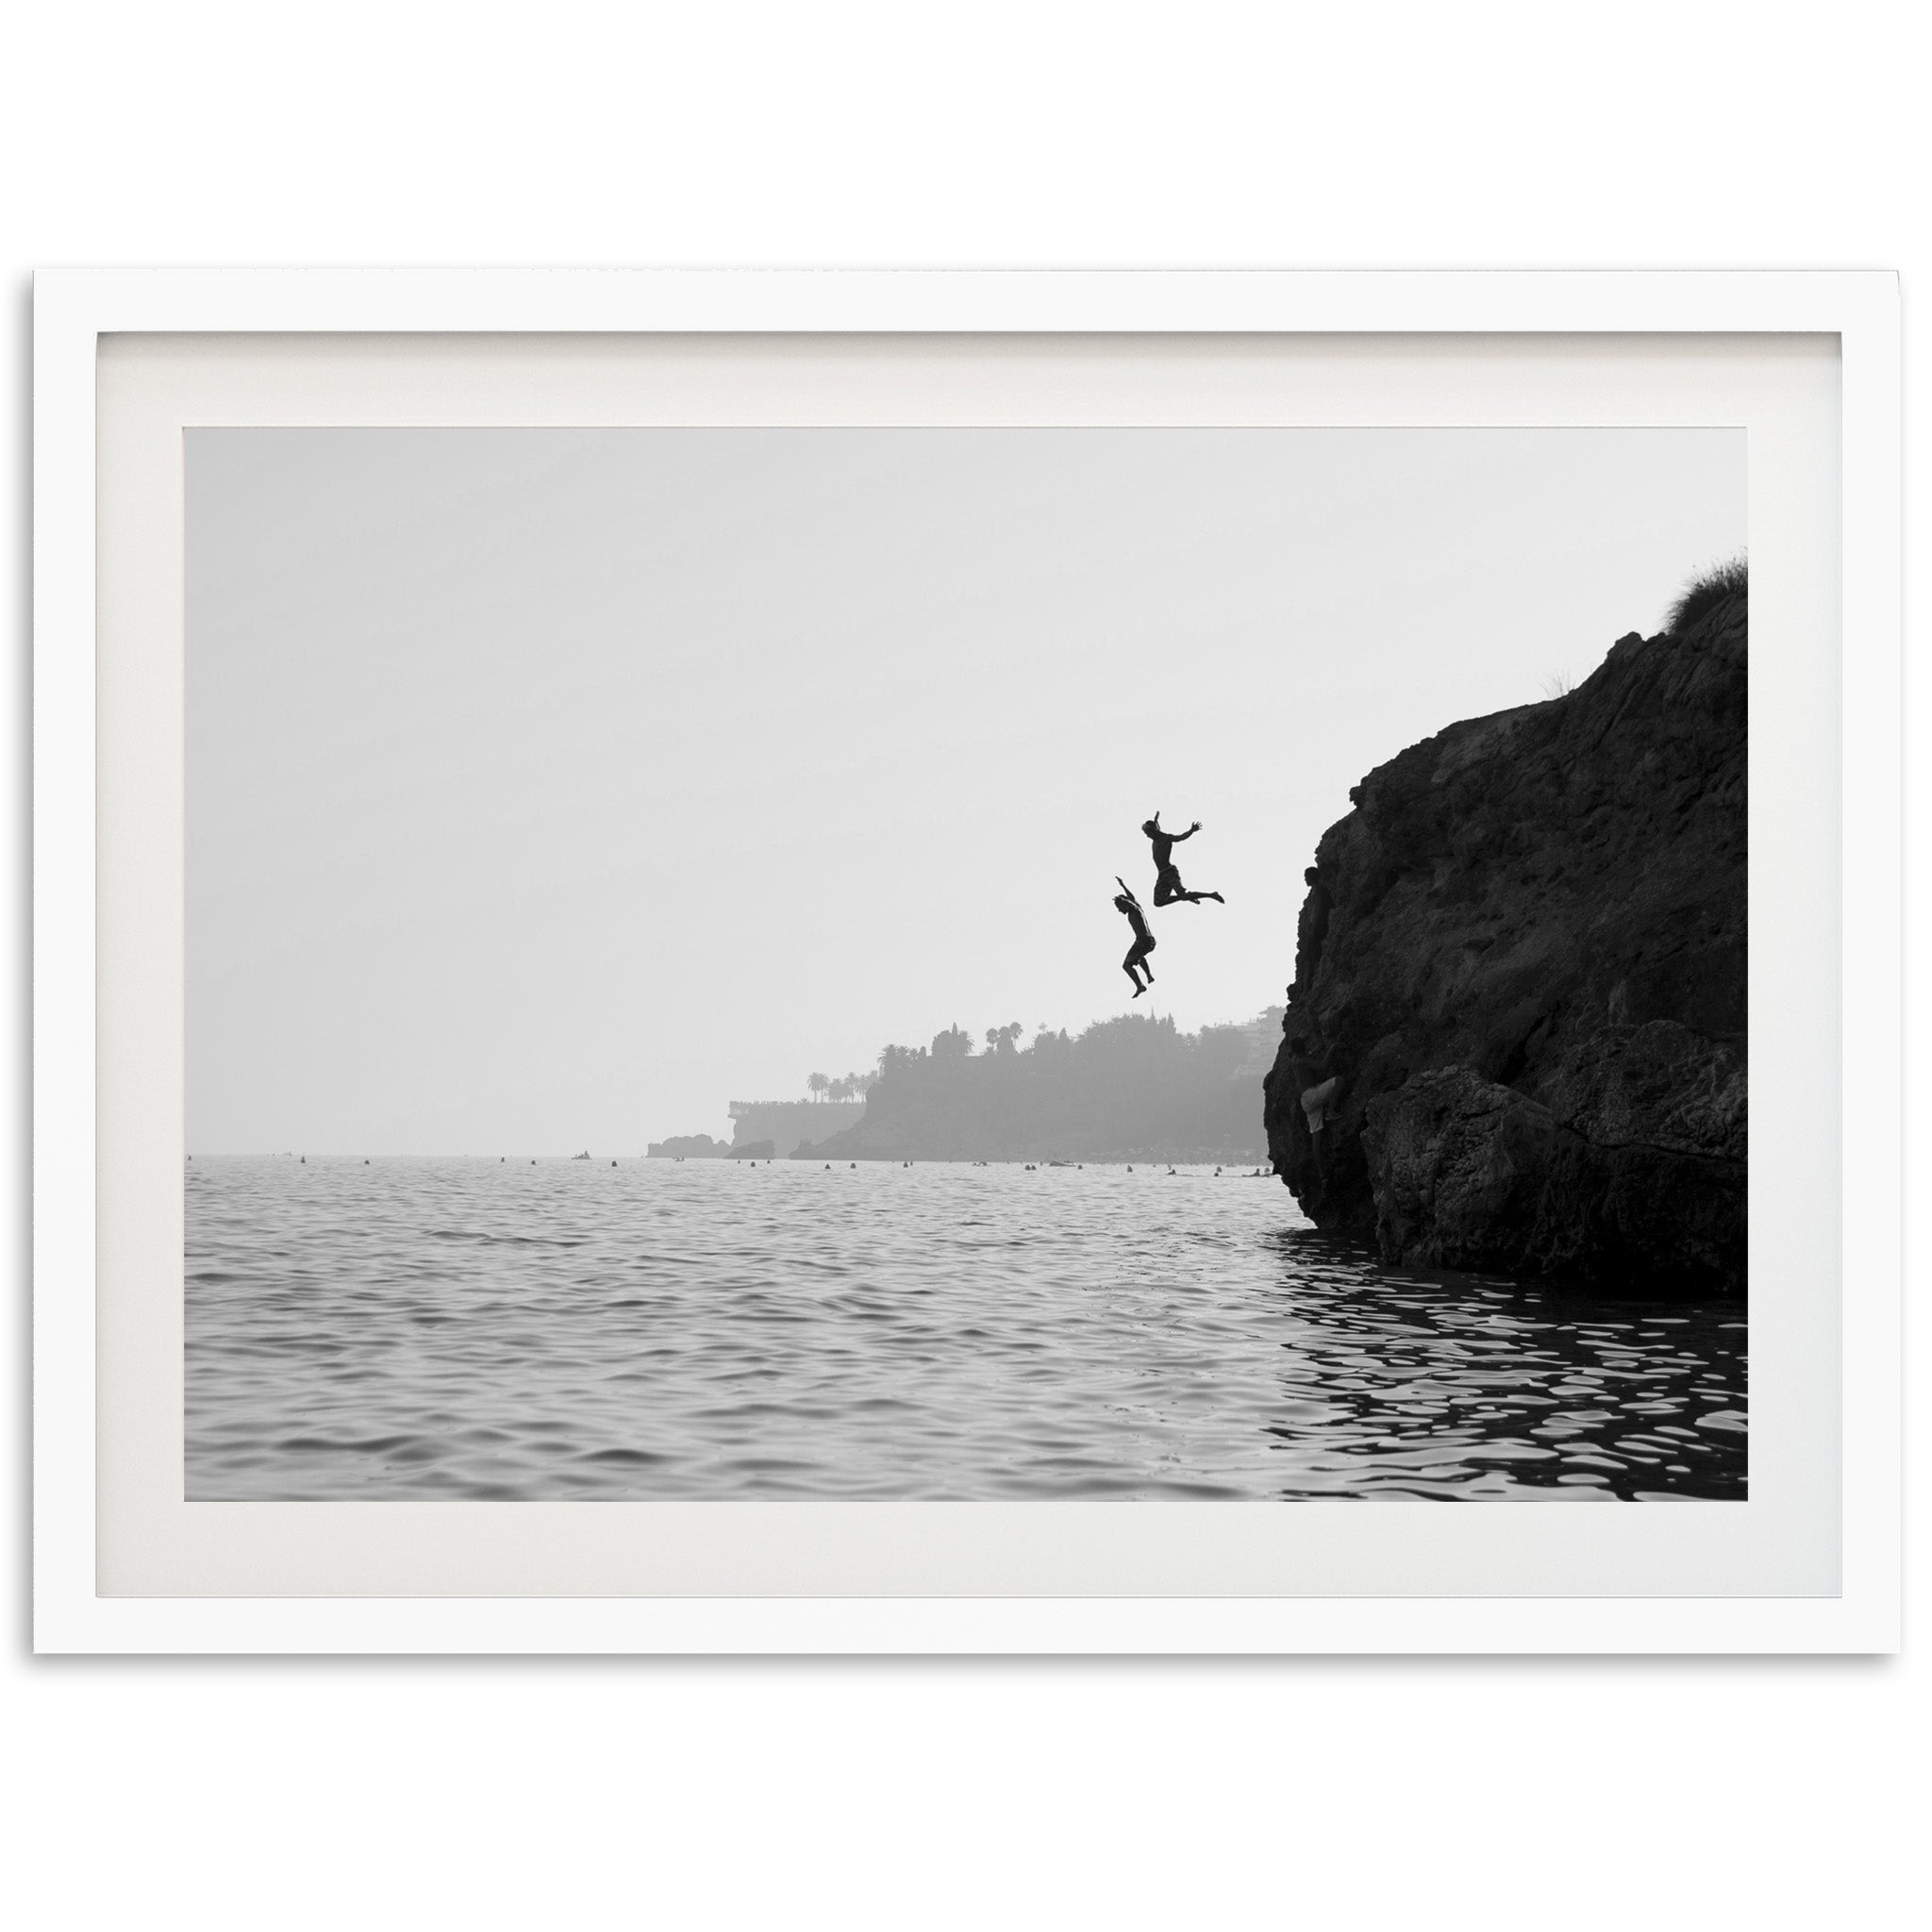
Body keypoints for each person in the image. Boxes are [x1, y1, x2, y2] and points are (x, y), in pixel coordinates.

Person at [1141, 811, 1224, 906]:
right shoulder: (1155, 838)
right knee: (1158, 902)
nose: (1147, 836)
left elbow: (1180, 837)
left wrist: (1191, 830)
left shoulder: (1166, 838)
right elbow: (1157, 827)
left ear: (1154, 831)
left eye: (1148, 833)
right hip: (1161, 875)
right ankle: (1187, 896)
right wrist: (1156, 820)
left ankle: (1212, 895)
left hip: (1170, 873)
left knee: (1183, 896)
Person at [1113, 876, 1157, 996]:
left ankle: (1140, 986)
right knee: (1139, 956)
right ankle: (1149, 976)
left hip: (1142, 941)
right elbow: (1132, 898)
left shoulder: (1133, 908)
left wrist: (1119, 899)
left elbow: (1128, 901)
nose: (1119, 910)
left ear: (1123, 903)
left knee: (1126, 965)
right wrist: (1123, 885)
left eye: (1119, 907)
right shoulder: (1137, 906)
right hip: (1150, 941)